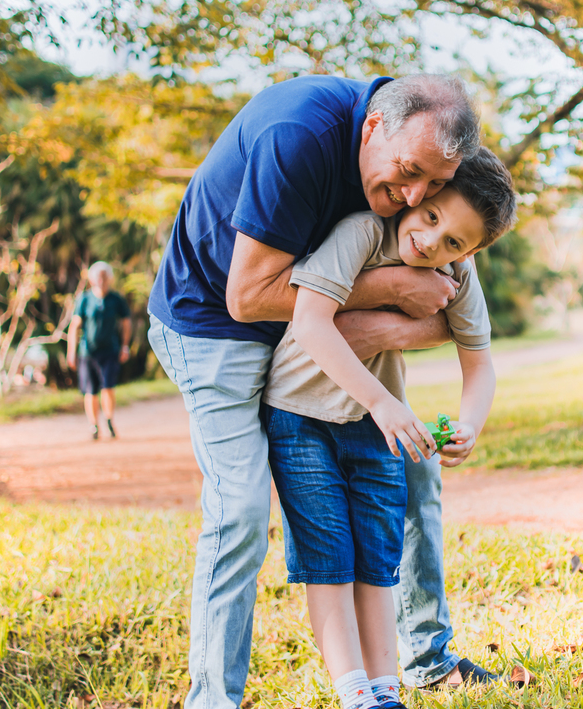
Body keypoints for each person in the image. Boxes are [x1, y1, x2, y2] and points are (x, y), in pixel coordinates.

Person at [146, 74, 500, 709]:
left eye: (434, 187)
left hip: (303, 332)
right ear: (372, 129)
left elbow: (451, 323)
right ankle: (211, 700)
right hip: (211, 322)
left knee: (417, 471)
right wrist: (390, 300)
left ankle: (421, 655)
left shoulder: (410, 192)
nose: (413, 196)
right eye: (408, 173)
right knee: (242, 509)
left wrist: (387, 322)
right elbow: (248, 296)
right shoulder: (299, 137)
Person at [262, 149, 516, 709]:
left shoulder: (457, 271)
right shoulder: (360, 232)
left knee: (378, 559)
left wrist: (469, 422)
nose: (433, 242)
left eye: (455, 242)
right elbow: (309, 321)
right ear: (420, 194)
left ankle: (384, 691)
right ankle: (354, 692)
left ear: (470, 253)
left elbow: (480, 360)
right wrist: (382, 402)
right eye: (431, 217)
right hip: (301, 415)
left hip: (370, 422)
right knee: (329, 558)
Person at [67, 261, 132, 440]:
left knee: (108, 387)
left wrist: (125, 346)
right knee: (90, 390)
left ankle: (109, 420)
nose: (101, 280)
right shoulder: (85, 299)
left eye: (104, 276)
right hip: (87, 352)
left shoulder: (116, 299)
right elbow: (75, 326)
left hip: (110, 350)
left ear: (109, 278)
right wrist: (71, 351)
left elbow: (126, 323)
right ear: (92, 279)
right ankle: (93, 425)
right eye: (98, 277)